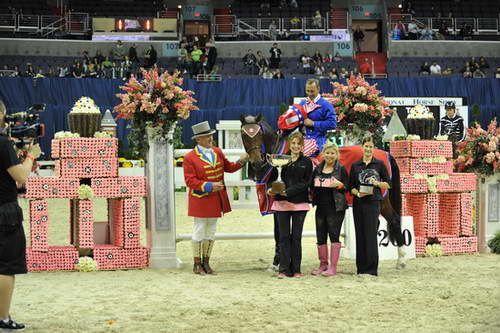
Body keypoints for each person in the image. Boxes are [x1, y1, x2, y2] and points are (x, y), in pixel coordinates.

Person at [183, 121, 249, 275]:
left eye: (210, 136)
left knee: (211, 230)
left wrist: (242, 160)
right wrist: (209, 186)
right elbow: (190, 181)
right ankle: (196, 263)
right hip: (200, 198)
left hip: (216, 198)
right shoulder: (190, 157)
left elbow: (229, 168)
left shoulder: (217, 152)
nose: (210, 139)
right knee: (199, 229)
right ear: (198, 139)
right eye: (206, 137)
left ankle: (206, 262)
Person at [0, 100, 42, 330]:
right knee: (6, 267)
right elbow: (21, 176)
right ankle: (3, 318)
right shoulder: (2, 143)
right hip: (4, 212)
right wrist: (30, 156)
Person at [270, 132, 313, 278]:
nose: (295, 146)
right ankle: (283, 269)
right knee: (283, 237)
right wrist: (273, 189)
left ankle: (296, 269)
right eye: (293, 143)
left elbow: (306, 182)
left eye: (298, 144)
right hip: (281, 203)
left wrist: (288, 192)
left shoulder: (307, 162)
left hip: (299, 204)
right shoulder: (280, 159)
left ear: (302, 146)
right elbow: (273, 177)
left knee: (296, 237)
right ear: (289, 144)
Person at [349, 135, 391, 276]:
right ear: (362, 147)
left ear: (374, 148)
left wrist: (378, 184)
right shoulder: (355, 165)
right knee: (360, 235)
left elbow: (388, 184)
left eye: (370, 146)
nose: (368, 149)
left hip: (373, 203)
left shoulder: (379, 164)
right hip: (359, 203)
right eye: (366, 146)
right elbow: (351, 187)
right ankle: (361, 268)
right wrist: (358, 194)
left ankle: (372, 269)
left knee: (371, 235)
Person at [310, 142, 348, 276]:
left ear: (337, 155)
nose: (330, 155)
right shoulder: (318, 169)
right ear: (323, 154)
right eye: (327, 153)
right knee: (320, 236)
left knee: (334, 235)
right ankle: (323, 265)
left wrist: (340, 185)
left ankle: (333, 267)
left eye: (332, 153)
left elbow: (348, 186)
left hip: (336, 208)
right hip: (320, 207)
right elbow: (311, 185)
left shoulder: (341, 169)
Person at [297, 78, 336, 157]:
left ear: (318, 89)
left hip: (318, 141)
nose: (309, 94)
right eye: (307, 91)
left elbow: (332, 124)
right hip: (301, 140)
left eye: (312, 91)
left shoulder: (326, 105)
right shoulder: (302, 103)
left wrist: (314, 124)